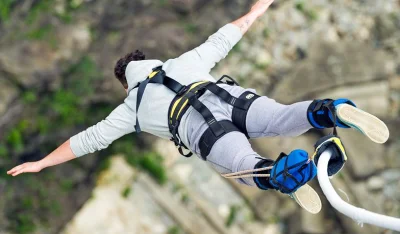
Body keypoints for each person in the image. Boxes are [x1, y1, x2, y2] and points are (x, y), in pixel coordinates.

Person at [7, 0, 389, 195]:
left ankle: (284, 174)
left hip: (204, 130)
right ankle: (331, 111)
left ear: (126, 82)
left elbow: (85, 141)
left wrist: (41, 163)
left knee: (245, 165)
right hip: (231, 97)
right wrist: (259, 8)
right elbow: (227, 34)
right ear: (147, 60)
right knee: (281, 118)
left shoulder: (130, 110)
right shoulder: (184, 61)